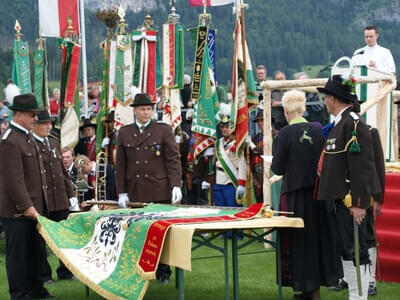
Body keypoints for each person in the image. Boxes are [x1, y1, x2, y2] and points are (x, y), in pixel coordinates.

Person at [271, 90, 338, 299]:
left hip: (295, 197)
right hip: (318, 195)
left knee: (298, 243)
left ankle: (303, 287)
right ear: (304, 108)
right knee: (315, 241)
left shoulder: (285, 134)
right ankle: (313, 289)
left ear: (285, 110)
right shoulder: (318, 130)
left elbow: (278, 168)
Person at [316, 75, 375, 299]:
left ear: (333, 99)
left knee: (356, 250)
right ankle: (354, 293)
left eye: (325, 98)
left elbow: (361, 167)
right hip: (338, 200)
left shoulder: (353, 123)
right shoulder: (340, 124)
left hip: (349, 202)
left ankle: (359, 295)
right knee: (345, 249)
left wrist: (359, 203)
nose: (324, 102)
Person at [116, 93, 182, 284]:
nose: (146, 113)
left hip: (159, 190)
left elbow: (172, 160)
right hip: (135, 189)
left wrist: (175, 184)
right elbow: (120, 164)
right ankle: (139, 270)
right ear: (134, 111)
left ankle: (163, 271)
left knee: (159, 233)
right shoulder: (125, 132)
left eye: (149, 109)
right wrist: (121, 190)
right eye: (142, 109)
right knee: (137, 233)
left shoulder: (163, 130)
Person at [0, 93, 54, 299]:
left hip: (35, 207)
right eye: (32, 115)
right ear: (19, 114)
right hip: (17, 212)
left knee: (35, 253)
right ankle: (20, 294)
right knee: (19, 256)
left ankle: (36, 289)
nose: (35, 119)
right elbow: (13, 180)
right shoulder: (10, 140)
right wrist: (26, 206)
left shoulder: (27, 137)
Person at [32, 109, 78, 283]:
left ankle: (65, 271)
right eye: (45, 123)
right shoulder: (31, 144)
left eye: (50, 123)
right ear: (35, 125)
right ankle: (43, 275)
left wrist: (71, 195)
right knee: (40, 241)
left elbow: (62, 172)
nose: (49, 126)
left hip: (60, 198)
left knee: (64, 237)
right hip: (43, 200)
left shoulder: (53, 142)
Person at [213, 116, 246, 209]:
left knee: (233, 210)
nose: (224, 129)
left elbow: (242, 163)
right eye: (222, 127)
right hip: (218, 181)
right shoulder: (218, 143)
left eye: (227, 127)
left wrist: (241, 184)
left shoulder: (238, 142)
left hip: (231, 181)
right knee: (219, 211)